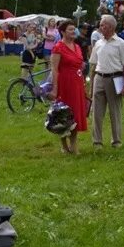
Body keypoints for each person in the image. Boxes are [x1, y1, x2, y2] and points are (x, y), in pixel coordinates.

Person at [91, 15, 124, 148]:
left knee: (115, 111)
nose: (100, 27)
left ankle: (116, 141)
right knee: (96, 112)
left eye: (103, 25)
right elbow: (93, 64)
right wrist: (90, 83)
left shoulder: (120, 43)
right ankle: (97, 141)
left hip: (115, 78)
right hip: (99, 77)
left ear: (110, 27)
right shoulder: (98, 43)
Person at [49, 20, 89, 154]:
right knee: (64, 114)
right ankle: (64, 145)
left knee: (76, 114)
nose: (74, 32)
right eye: (71, 29)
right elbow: (54, 69)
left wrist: (84, 84)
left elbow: (80, 64)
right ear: (63, 32)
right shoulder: (58, 47)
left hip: (77, 83)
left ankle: (73, 143)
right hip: (64, 84)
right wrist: (54, 88)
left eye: (74, 29)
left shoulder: (77, 46)